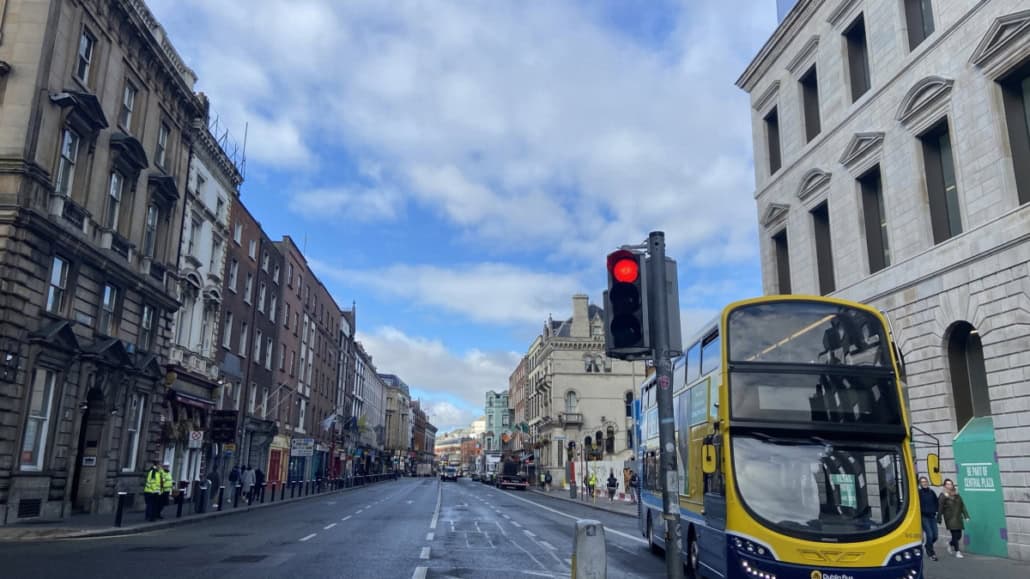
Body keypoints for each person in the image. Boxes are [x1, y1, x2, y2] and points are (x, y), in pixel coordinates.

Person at [938, 478, 970, 558]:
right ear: (945, 486)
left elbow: (962, 506)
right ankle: (957, 552)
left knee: (959, 536)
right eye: (947, 484)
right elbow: (940, 508)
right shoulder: (943, 496)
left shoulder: (957, 495)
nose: (949, 486)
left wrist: (966, 516)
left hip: (958, 518)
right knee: (955, 535)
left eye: (951, 484)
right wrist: (939, 518)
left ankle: (950, 543)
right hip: (950, 518)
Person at [918, 476, 939, 560]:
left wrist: (936, 510)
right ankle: (931, 553)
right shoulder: (919, 493)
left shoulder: (932, 492)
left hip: (932, 516)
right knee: (929, 535)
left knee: (935, 536)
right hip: (924, 517)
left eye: (925, 481)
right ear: (920, 484)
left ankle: (927, 545)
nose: (924, 483)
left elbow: (936, 502)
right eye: (922, 482)